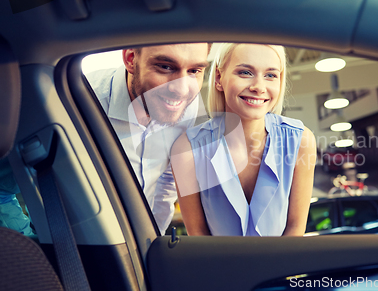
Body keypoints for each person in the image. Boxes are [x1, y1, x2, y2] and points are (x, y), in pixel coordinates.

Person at [171, 43, 316, 236]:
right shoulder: (187, 149)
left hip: (285, 266)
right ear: (219, 78)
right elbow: (198, 235)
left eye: (271, 75)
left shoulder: (300, 141)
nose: (259, 87)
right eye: (245, 72)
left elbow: (295, 229)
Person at [86, 43, 210, 235]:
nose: (182, 89)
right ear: (130, 59)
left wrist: (152, 239)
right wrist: (27, 237)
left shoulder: (186, 104)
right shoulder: (81, 102)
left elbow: (167, 179)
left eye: (194, 70)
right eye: (165, 67)